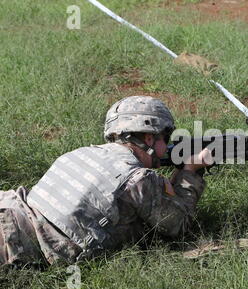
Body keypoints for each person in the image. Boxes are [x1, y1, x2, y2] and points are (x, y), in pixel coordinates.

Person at [0, 96, 210, 267]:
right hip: (17, 243)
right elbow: (179, 226)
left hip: (10, 209)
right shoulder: (139, 180)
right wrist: (190, 171)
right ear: (149, 138)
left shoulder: (80, 153)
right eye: (166, 137)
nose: (166, 147)